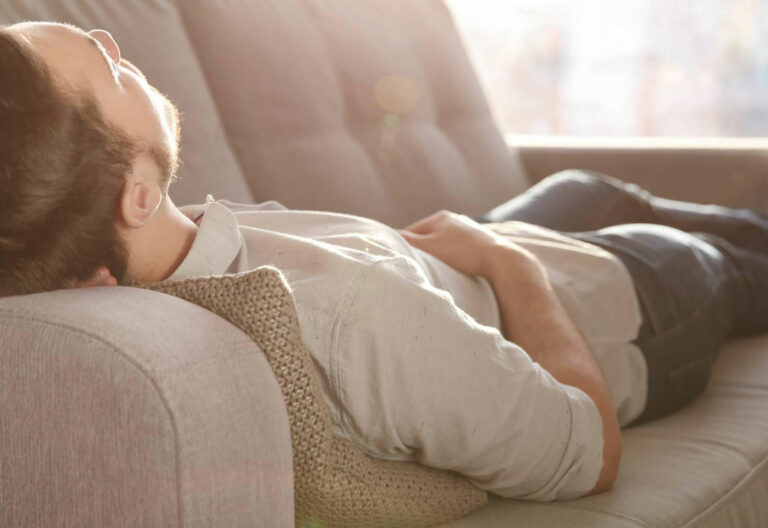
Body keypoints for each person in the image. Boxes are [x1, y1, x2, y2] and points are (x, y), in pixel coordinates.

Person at [1, 21, 767, 502]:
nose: (112, 40)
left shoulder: (169, 251)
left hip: (477, 255)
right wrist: (506, 262)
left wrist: (457, 249)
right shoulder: (348, 314)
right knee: (730, 261)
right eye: (106, 69)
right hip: (622, 307)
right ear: (134, 198)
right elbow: (588, 453)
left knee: (581, 187)